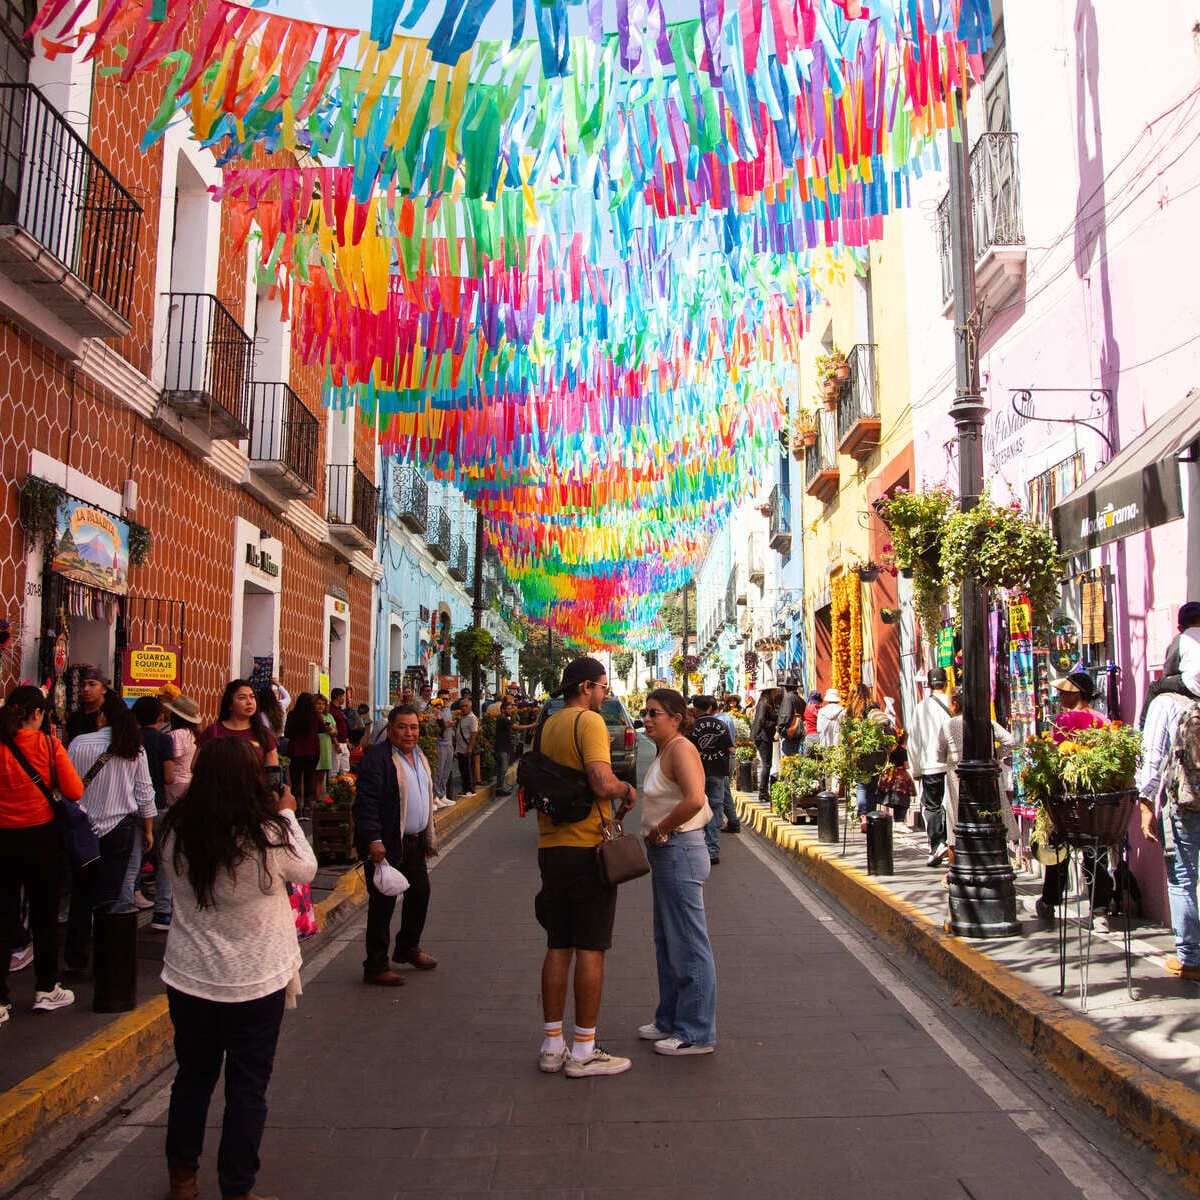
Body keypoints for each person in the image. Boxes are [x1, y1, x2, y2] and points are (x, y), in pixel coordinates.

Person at [159, 738, 316, 1200]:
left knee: (192, 1078)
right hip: (256, 977)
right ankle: (237, 1187)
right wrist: (287, 813)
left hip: (190, 975)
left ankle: (183, 1179)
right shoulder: (268, 833)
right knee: (247, 1087)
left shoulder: (176, 829)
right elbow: (305, 869)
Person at [534, 657, 637, 1078]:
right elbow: (600, 780)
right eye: (602, 687)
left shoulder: (548, 724)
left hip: (551, 846)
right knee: (591, 947)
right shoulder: (589, 723)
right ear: (585, 687)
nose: (605, 694)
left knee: (558, 944)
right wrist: (626, 788)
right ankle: (584, 1050)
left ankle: (552, 1044)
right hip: (586, 845)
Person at [640, 688, 717, 1055]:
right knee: (667, 939)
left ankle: (696, 1031)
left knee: (688, 942)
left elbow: (695, 798)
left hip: (680, 850)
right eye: (646, 712)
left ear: (675, 717)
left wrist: (662, 828)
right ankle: (669, 1018)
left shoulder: (682, 749)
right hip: (667, 853)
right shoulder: (666, 750)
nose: (648, 718)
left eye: (655, 713)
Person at [0, 685, 83, 1024]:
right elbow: (74, 791)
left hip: (3, 839)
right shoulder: (49, 746)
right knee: (44, 916)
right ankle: (46, 988)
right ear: (37, 714)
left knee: (2, 916)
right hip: (42, 839)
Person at [65, 691, 156, 971]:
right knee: (111, 895)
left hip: (83, 829)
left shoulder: (79, 743)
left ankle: (76, 957)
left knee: (80, 895)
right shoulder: (133, 748)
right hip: (120, 828)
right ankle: (106, 960)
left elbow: (66, 788)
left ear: (102, 716)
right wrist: (149, 829)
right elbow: (144, 792)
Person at [353, 706, 438, 986]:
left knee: (420, 894)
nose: (409, 733)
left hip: (414, 843)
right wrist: (374, 840)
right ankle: (376, 965)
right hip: (386, 845)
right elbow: (366, 803)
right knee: (383, 905)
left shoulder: (419, 756)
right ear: (390, 729)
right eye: (403, 727)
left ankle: (407, 947)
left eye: (414, 727)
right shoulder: (377, 759)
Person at [1037, 672, 1113, 926]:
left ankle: (1050, 900)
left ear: (1077, 693)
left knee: (1060, 847)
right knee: (1096, 849)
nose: (1060, 696)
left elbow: (1056, 757)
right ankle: (1100, 908)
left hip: (1069, 796)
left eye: (1065, 692)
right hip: (1096, 799)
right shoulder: (1102, 720)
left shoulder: (1066, 720)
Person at [1137, 690, 1200, 978]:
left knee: (1182, 878)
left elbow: (1152, 757)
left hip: (1185, 804)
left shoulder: (1166, 703)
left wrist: (1146, 805)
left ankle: (1190, 958)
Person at [935, 688, 1017, 849]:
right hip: (986, 778)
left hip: (957, 779)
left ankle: (959, 860)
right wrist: (995, 756)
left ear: (955, 704)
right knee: (988, 816)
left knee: (957, 820)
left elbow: (938, 755)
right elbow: (1011, 741)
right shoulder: (987, 722)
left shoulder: (948, 726)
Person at [124, 696, 177, 919]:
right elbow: (168, 776)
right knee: (165, 861)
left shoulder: (129, 739)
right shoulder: (164, 741)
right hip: (159, 806)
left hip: (133, 806)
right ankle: (163, 910)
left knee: (132, 861)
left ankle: (124, 909)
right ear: (160, 716)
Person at [156, 688, 202, 933]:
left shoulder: (174, 737)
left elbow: (169, 770)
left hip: (174, 788)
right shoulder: (193, 735)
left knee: (168, 847)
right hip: (189, 785)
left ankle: (164, 904)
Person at [906, 669, 953, 867]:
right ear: (946, 682)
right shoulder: (954, 705)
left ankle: (937, 844)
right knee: (951, 805)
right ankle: (951, 845)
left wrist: (915, 769)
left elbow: (914, 742)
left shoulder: (920, 708)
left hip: (930, 766)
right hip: (951, 765)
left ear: (929, 685)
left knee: (932, 806)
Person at [690, 696, 734, 865]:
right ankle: (712, 851)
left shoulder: (693, 727)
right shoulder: (721, 725)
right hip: (717, 772)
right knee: (715, 810)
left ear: (696, 709)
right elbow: (730, 749)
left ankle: (700, 848)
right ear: (710, 707)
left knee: (698, 809)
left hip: (697, 773)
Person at [195, 681, 280, 768]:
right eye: (242, 698)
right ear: (230, 705)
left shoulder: (264, 733)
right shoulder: (213, 731)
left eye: (252, 697)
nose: (249, 702)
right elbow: (196, 767)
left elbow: (272, 773)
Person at [1140, 602, 1200, 723]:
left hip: (1193, 684)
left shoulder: (1181, 638)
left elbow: (1169, 670)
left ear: (1180, 628)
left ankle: (1143, 726)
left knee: (1155, 686)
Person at [283, 693, 321, 818]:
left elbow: (287, 732)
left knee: (295, 780)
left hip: (296, 752)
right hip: (312, 752)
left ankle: (297, 807)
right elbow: (323, 729)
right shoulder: (315, 716)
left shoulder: (292, 715)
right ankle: (307, 807)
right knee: (310, 779)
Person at [493, 697, 534, 798]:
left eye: (511, 708)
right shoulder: (503, 719)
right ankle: (499, 789)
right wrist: (532, 725)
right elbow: (516, 727)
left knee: (503, 768)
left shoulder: (504, 718)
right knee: (502, 769)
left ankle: (500, 788)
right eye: (509, 709)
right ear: (503, 709)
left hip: (504, 746)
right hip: (502, 747)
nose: (511, 710)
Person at [64, 665, 108, 744]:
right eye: (83, 685)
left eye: (92, 684)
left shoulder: (109, 716)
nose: (85, 689)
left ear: (103, 689)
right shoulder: (74, 717)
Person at [751, 688, 781, 804]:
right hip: (763, 737)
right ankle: (763, 791)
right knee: (767, 764)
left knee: (767, 764)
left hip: (763, 737)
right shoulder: (764, 704)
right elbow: (761, 720)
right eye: (774, 691)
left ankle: (763, 791)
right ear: (769, 693)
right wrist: (774, 726)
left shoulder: (767, 703)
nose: (776, 693)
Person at [453, 696, 479, 797]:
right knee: (463, 770)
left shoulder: (472, 718)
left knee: (468, 770)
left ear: (470, 707)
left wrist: (470, 749)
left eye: (465, 706)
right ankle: (465, 789)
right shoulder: (462, 718)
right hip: (460, 749)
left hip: (467, 749)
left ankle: (470, 790)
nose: (463, 708)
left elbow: (474, 734)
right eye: (461, 706)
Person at [313, 694, 335, 802]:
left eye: (323, 704)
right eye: (318, 704)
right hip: (315, 747)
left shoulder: (329, 716)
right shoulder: (312, 717)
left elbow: (335, 731)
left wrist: (330, 730)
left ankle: (321, 797)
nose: (320, 706)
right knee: (316, 776)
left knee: (323, 775)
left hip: (326, 748)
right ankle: (317, 798)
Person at [775, 678, 805, 757]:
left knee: (787, 758)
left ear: (786, 688)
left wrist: (778, 730)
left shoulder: (788, 698)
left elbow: (785, 716)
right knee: (796, 757)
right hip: (799, 732)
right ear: (796, 688)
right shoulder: (801, 700)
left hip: (789, 732)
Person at [328, 688, 352, 774]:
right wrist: (336, 742)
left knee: (345, 768)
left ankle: (345, 786)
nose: (344, 699)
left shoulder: (340, 710)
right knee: (334, 769)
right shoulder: (331, 711)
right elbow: (331, 728)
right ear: (338, 697)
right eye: (343, 697)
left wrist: (346, 740)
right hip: (336, 743)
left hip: (344, 742)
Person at [803, 689, 822, 753]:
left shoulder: (807, 709)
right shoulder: (822, 710)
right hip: (820, 737)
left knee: (807, 760)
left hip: (810, 736)